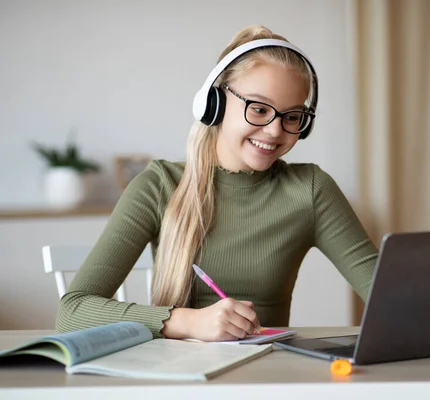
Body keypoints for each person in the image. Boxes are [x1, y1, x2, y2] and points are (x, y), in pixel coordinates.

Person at [56, 25, 378, 342]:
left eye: (291, 116)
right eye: (259, 108)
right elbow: (73, 312)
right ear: (215, 103)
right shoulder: (158, 186)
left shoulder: (311, 190)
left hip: (268, 381)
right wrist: (186, 322)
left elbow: (387, 296)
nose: (275, 131)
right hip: (176, 381)